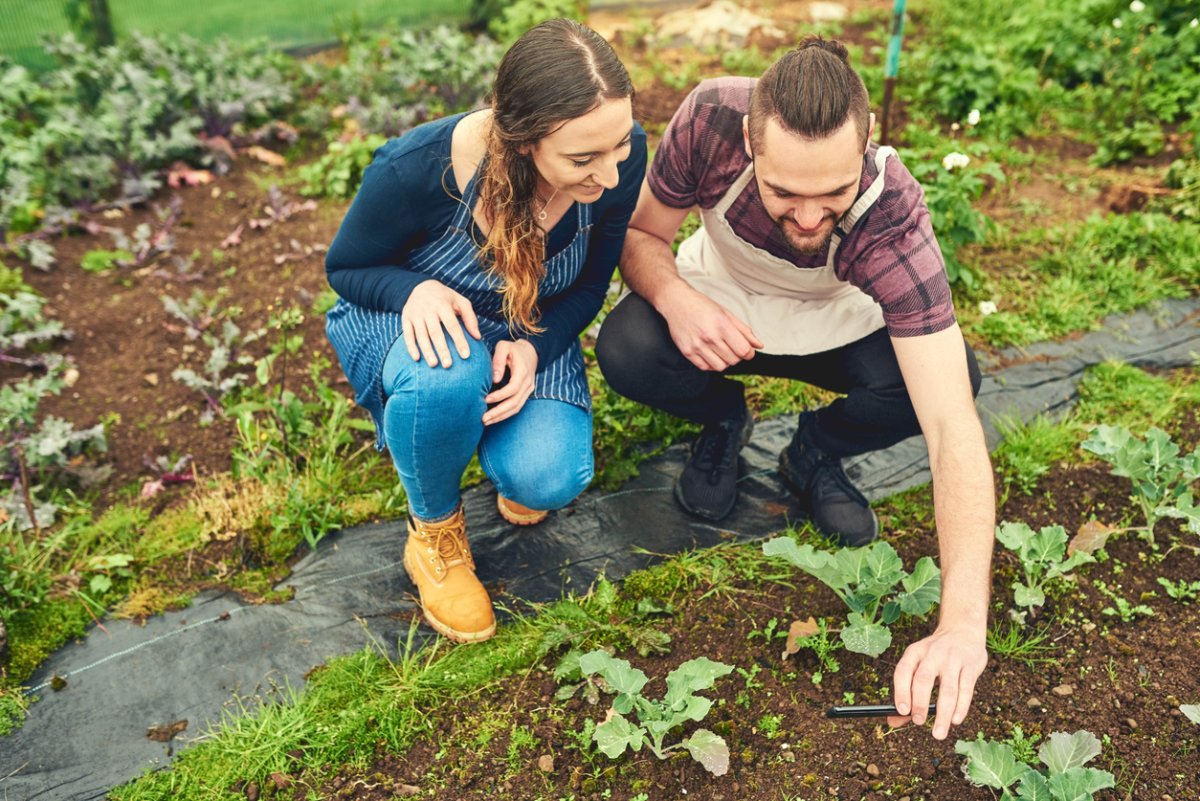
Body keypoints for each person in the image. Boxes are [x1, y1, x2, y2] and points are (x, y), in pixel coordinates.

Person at [595, 37, 992, 739]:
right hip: (724, 309)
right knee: (627, 346)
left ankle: (814, 450)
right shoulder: (711, 119)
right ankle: (722, 421)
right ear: (750, 144)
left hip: (840, 328)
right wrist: (677, 299)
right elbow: (640, 235)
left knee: (954, 375)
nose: (809, 219)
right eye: (784, 192)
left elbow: (952, 428)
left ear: (867, 144)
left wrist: (961, 624)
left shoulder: (894, 213)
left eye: (833, 194)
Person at [324, 19, 646, 644]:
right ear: (522, 139)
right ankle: (435, 533)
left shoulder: (613, 160)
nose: (608, 177)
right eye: (582, 159)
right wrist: (412, 289)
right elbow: (347, 268)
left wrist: (536, 346)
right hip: (412, 322)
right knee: (448, 373)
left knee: (548, 478)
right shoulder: (415, 170)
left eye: (619, 150)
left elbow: (587, 287)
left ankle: (487, 447)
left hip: (529, 326)